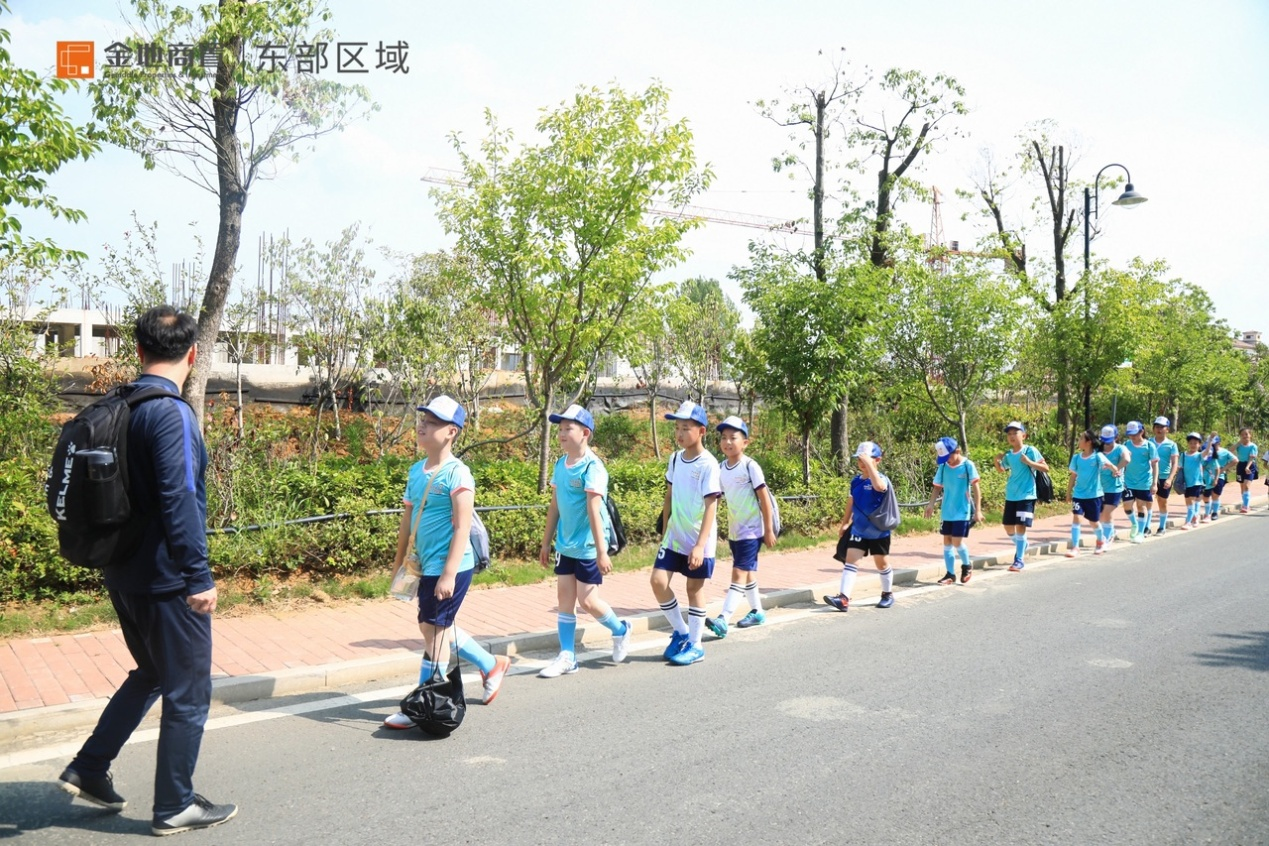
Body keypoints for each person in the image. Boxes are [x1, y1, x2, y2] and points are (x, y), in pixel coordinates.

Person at [58, 306, 237, 836]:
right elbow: (180, 498)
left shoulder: (121, 403)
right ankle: (175, 805)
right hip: (166, 581)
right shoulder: (171, 414)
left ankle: (90, 766)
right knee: (188, 691)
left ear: (137, 351)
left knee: (153, 673)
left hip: (122, 570)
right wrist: (198, 576)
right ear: (193, 354)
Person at [383, 396, 510, 729]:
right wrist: (399, 564)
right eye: (423, 419)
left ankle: (425, 704)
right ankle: (490, 663)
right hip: (424, 565)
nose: (423, 425)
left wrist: (449, 574)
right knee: (431, 626)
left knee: (435, 631)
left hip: (451, 567)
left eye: (433, 422)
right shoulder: (416, 471)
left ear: (451, 432)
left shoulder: (458, 473)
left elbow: (462, 526)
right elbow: (407, 522)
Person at [536, 404, 632, 678]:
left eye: (568, 428)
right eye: (560, 428)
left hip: (589, 546)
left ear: (585, 433)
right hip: (565, 545)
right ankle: (568, 656)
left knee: (588, 601)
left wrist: (603, 552)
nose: (562, 433)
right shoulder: (560, 464)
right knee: (565, 598)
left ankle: (621, 629)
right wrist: (546, 542)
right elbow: (554, 505)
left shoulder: (593, 467)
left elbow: (594, 509)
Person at [652, 401, 722, 666]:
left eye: (686, 428)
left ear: (701, 431)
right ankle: (681, 632)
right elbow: (669, 494)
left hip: (698, 540)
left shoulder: (708, 464)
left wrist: (700, 546)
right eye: (677, 428)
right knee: (658, 581)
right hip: (674, 536)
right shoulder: (674, 458)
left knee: (694, 588)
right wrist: (665, 526)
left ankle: (695, 645)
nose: (679, 434)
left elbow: (711, 505)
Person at [706, 416, 776, 638]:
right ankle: (757, 612)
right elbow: (716, 498)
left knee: (738, 572)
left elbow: (764, 499)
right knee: (747, 573)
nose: (727, 442)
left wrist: (769, 529)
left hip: (752, 530)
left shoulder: (750, 466)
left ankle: (723, 619)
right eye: (724, 438)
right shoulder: (720, 468)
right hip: (735, 531)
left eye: (733, 438)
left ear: (745, 442)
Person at [825, 442, 896, 611]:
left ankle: (887, 594)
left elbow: (879, 487)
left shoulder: (882, 479)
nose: (861, 463)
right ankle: (843, 598)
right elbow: (851, 502)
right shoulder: (855, 481)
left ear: (877, 460)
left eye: (866, 460)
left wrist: (871, 467)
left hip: (878, 531)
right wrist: (844, 524)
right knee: (851, 561)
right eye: (859, 460)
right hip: (859, 529)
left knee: (882, 564)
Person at [924, 437, 982, 585]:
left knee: (957, 542)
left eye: (948, 456)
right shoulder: (943, 467)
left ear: (957, 451)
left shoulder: (968, 465)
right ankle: (950, 574)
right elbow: (937, 487)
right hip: (947, 510)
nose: (946, 460)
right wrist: (931, 505)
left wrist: (978, 511)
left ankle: (967, 565)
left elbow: (976, 489)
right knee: (947, 541)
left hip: (962, 510)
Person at [994, 421, 1049, 572]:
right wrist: (996, 460)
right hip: (1011, 495)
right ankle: (1022, 545)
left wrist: (1029, 462)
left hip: (1027, 494)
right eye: (1009, 434)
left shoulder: (1030, 450)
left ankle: (1019, 559)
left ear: (1023, 435)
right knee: (1007, 526)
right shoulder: (1009, 455)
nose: (1011, 436)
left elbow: (1045, 467)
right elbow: (1001, 470)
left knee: (1020, 527)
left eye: (1015, 433)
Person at [1067, 429, 1120, 558]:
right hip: (1078, 495)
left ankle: (1101, 541)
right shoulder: (1076, 458)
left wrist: (1115, 470)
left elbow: (1109, 464)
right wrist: (1068, 492)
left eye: (1081, 438)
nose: (1079, 441)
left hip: (1094, 496)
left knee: (1094, 522)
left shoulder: (1097, 456)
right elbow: (1073, 476)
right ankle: (1075, 547)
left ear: (1088, 442)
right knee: (1076, 518)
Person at [1119, 421, 1159, 544]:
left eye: (1135, 434)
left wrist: (1154, 483)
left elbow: (1155, 465)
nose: (1132, 437)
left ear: (1141, 432)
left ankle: (1141, 533)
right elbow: (1122, 462)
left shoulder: (1149, 446)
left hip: (1144, 482)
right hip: (1128, 482)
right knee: (1127, 506)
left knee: (1141, 506)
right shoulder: (1126, 445)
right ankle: (1135, 524)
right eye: (1130, 434)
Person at [1097, 424, 1131, 549]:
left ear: (1116, 437)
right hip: (1099, 487)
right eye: (1104, 440)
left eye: (1109, 440)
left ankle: (1107, 537)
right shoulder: (1098, 450)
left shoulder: (1120, 448)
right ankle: (1110, 530)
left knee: (1107, 511)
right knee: (1100, 515)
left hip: (1115, 487)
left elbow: (1127, 459)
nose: (1107, 443)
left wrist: (1116, 469)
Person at [1149, 416, 1179, 535]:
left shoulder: (1171, 444)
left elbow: (1175, 462)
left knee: (1162, 501)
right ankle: (1146, 527)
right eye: (1157, 427)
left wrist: (1170, 478)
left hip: (1164, 477)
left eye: (1162, 427)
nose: (1159, 429)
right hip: (1148, 477)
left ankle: (1162, 526)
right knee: (1148, 501)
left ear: (1167, 429)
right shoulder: (1149, 442)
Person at [1200, 434, 1236, 522]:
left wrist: (1224, 469)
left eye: (1214, 444)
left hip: (1219, 476)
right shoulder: (1206, 452)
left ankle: (1215, 512)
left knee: (1215, 494)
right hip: (1206, 477)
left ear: (1218, 443)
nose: (1212, 446)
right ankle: (1208, 512)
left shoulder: (1224, 452)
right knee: (1206, 495)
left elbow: (1235, 460)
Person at [1179, 433, 1206, 530]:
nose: (1193, 445)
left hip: (1196, 482)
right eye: (1191, 443)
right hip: (1186, 483)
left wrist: (1210, 441)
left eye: (1195, 443)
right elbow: (1180, 467)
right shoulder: (1183, 455)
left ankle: (1188, 522)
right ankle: (1195, 517)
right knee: (1188, 502)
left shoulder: (1199, 455)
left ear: (1199, 445)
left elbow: (1206, 452)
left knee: (1191, 501)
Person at [1234, 428, 1259, 513]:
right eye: (1242, 435)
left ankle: (1246, 506)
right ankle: (1245, 503)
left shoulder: (1253, 446)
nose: (1245, 436)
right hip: (1240, 465)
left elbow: (1251, 458)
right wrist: (1238, 443)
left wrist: (1247, 467)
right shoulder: (1239, 445)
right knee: (1242, 486)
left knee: (1246, 486)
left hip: (1250, 465)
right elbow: (1229, 451)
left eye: (1246, 434)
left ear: (1250, 435)